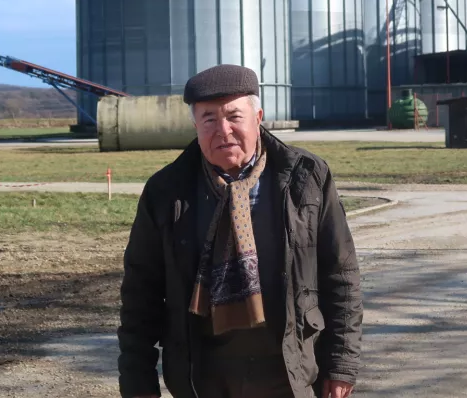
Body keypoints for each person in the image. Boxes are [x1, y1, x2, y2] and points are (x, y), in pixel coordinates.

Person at [118, 64, 362, 398]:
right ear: (195, 125)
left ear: (258, 117)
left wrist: (341, 363)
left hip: (289, 372)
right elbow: (140, 292)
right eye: (208, 119)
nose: (223, 130)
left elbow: (341, 274)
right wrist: (137, 381)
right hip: (202, 378)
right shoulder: (166, 191)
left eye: (234, 117)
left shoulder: (306, 178)